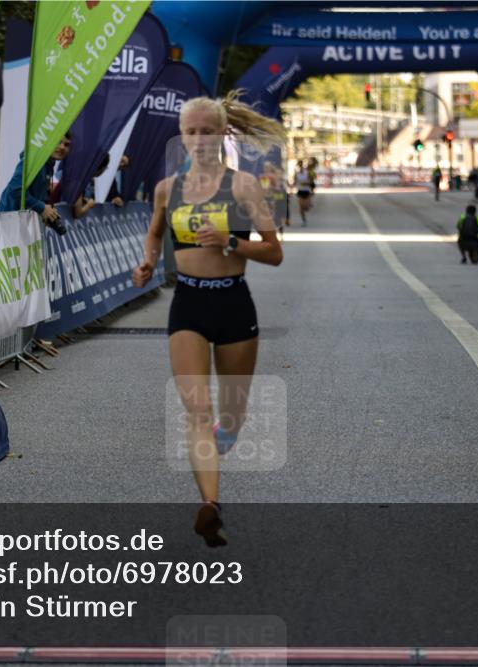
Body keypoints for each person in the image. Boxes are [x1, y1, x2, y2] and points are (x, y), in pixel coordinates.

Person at [131, 92, 284, 547]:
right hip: (189, 306)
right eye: (191, 132)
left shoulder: (243, 187)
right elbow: (155, 233)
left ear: (222, 134)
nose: (199, 140)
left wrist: (230, 242)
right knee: (198, 412)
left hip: (234, 304)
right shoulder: (167, 190)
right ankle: (210, 507)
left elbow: (274, 252)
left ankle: (227, 438)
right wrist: (147, 263)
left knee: (231, 420)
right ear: (182, 135)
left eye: (208, 131)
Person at [0, 132, 71, 235]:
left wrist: (45, 212)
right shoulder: (33, 160)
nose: (62, 147)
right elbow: (15, 190)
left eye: (66, 145)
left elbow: (36, 195)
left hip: (20, 227)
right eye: (58, 142)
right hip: (7, 225)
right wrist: (42, 207)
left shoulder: (48, 164)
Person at [294, 160, 312, 225]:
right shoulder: (296, 173)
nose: (300, 166)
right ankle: (304, 220)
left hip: (306, 191)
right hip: (300, 191)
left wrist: (306, 183)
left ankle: (307, 207)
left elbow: (310, 182)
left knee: (306, 208)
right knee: (301, 207)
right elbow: (294, 182)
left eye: (301, 165)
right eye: (299, 165)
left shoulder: (307, 172)